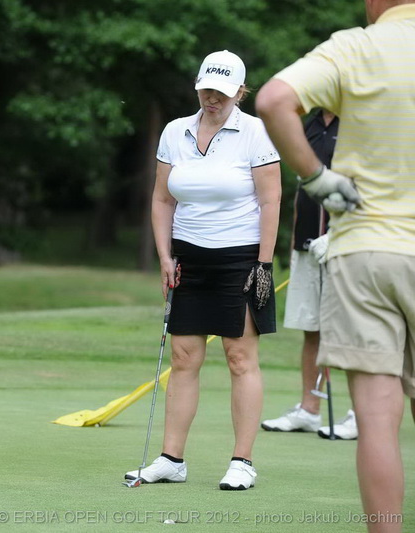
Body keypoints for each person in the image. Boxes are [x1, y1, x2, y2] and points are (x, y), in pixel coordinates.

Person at [256, 1, 415, 530]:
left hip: (365, 249)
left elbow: (274, 100)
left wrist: (318, 179)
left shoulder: (356, 45)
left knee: (376, 420)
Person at [125, 50, 281, 490]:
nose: (212, 98)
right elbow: (162, 200)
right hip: (188, 258)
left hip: (240, 258)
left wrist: (263, 263)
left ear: (240, 92)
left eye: (222, 92)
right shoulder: (175, 131)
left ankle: (242, 461)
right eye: (206, 89)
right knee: (183, 357)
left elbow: (271, 200)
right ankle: (171, 459)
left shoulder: (256, 132)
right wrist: (165, 256)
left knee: (239, 358)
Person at [260, 110, 358, 440]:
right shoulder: (310, 124)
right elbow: (303, 185)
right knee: (311, 328)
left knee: (352, 330)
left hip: (347, 242)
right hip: (307, 243)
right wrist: (295, 244)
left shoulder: (359, 119)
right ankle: (309, 409)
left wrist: (341, 234)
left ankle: (362, 414)